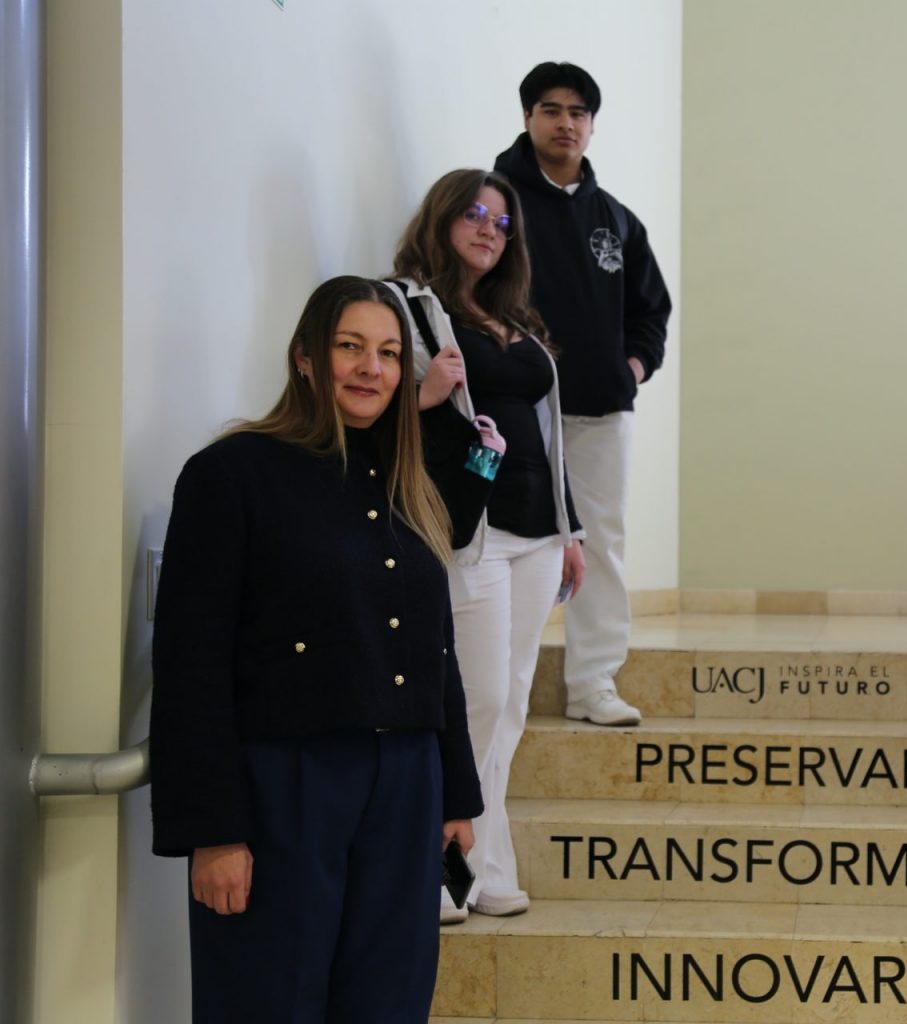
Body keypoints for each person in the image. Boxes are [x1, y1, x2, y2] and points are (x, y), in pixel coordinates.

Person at [149, 276, 483, 1021]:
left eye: (389, 353)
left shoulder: (408, 484)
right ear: (304, 356)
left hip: (407, 783)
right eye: (349, 346)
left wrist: (455, 796)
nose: (372, 368)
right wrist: (212, 831)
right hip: (284, 784)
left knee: (390, 1000)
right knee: (269, 998)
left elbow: (436, 652)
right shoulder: (231, 474)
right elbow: (190, 665)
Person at [387, 168, 584, 924]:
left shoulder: (513, 320)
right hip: (472, 531)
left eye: (501, 223)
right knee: (476, 698)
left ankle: (485, 864)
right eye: (473, 214)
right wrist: (424, 394)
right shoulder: (407, 306)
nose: (488, 231)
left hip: (538, 532)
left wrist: (570, 530)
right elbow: (367, 409)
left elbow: (545, 434)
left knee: (512, 705)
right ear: (440, 219)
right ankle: (439, 869)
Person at [493, 61, 672, 727]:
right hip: (512, 409)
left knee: (600, 543)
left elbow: (651, 311)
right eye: (551, 109)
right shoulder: (494, 204)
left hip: (600, 409)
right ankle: (492, 681)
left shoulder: (615, 219)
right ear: (527, 118)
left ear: (592, 125)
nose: (565, 123)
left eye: (577, 112)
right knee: (504, 540)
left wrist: (633, 368)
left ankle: (594, 682)